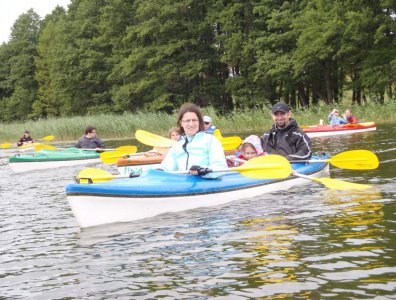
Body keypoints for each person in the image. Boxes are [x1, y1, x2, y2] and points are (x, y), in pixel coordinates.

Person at [160, 103, 227, 178]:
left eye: (194, 120)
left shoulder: (211, 141)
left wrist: (202, 171)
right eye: (187, 121)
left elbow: (221, 168)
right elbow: (166, 167)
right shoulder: (177, 146)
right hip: (184, 184)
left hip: (204, 184)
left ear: (199, 122)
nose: (191, 124)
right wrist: (158, 170)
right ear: (181, 123)